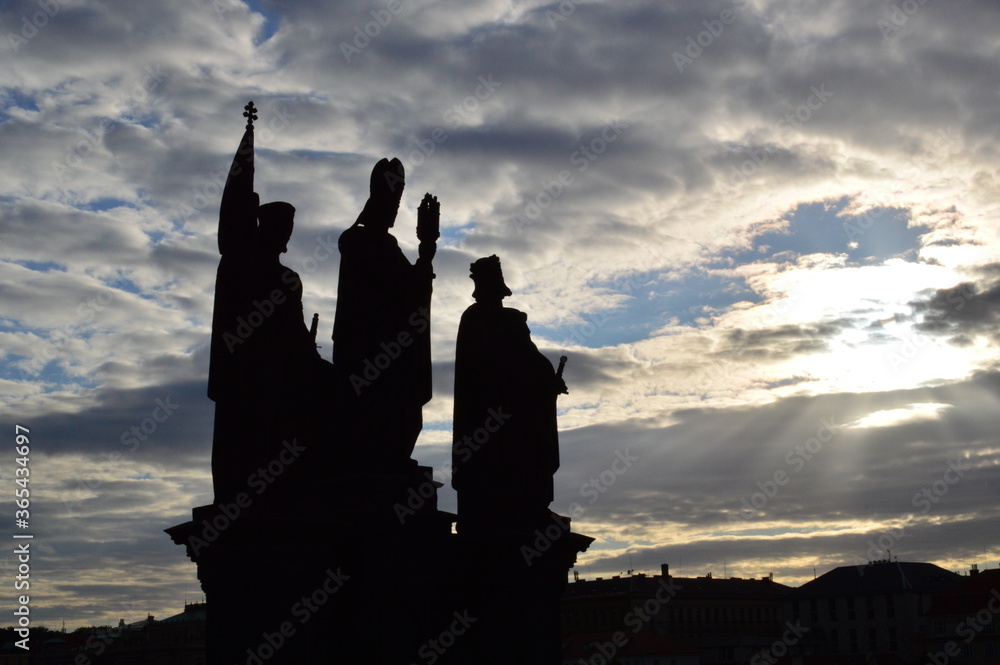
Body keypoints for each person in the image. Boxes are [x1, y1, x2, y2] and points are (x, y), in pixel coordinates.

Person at [208, 118, 319, 504]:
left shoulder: (288, 278)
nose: (286, 236)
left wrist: (310, 354)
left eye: (289, 230)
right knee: (248, 444)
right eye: (282, 229)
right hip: (249, 376)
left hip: (283, 375)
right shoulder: (242, 268)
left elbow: (296, 330)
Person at [451, 255, 567, 533]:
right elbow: (477, 367)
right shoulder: (474, 318)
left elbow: (531, 357)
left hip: (519, 408)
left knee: (528, 453)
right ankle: (500, 506)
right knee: (497, 459)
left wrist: (547, 380)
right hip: (489, 407)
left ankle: (529, 503)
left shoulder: (513, 320)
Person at [332, 158, 436, 466]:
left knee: (401, 415)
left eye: (397, 203)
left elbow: (413, 290)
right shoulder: (357, 242)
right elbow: (390, 290)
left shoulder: (387, 246)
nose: (394, 210)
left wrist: (426, 251)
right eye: (392, 202)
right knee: (375, 414)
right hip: (368, 349)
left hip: (394, 352)